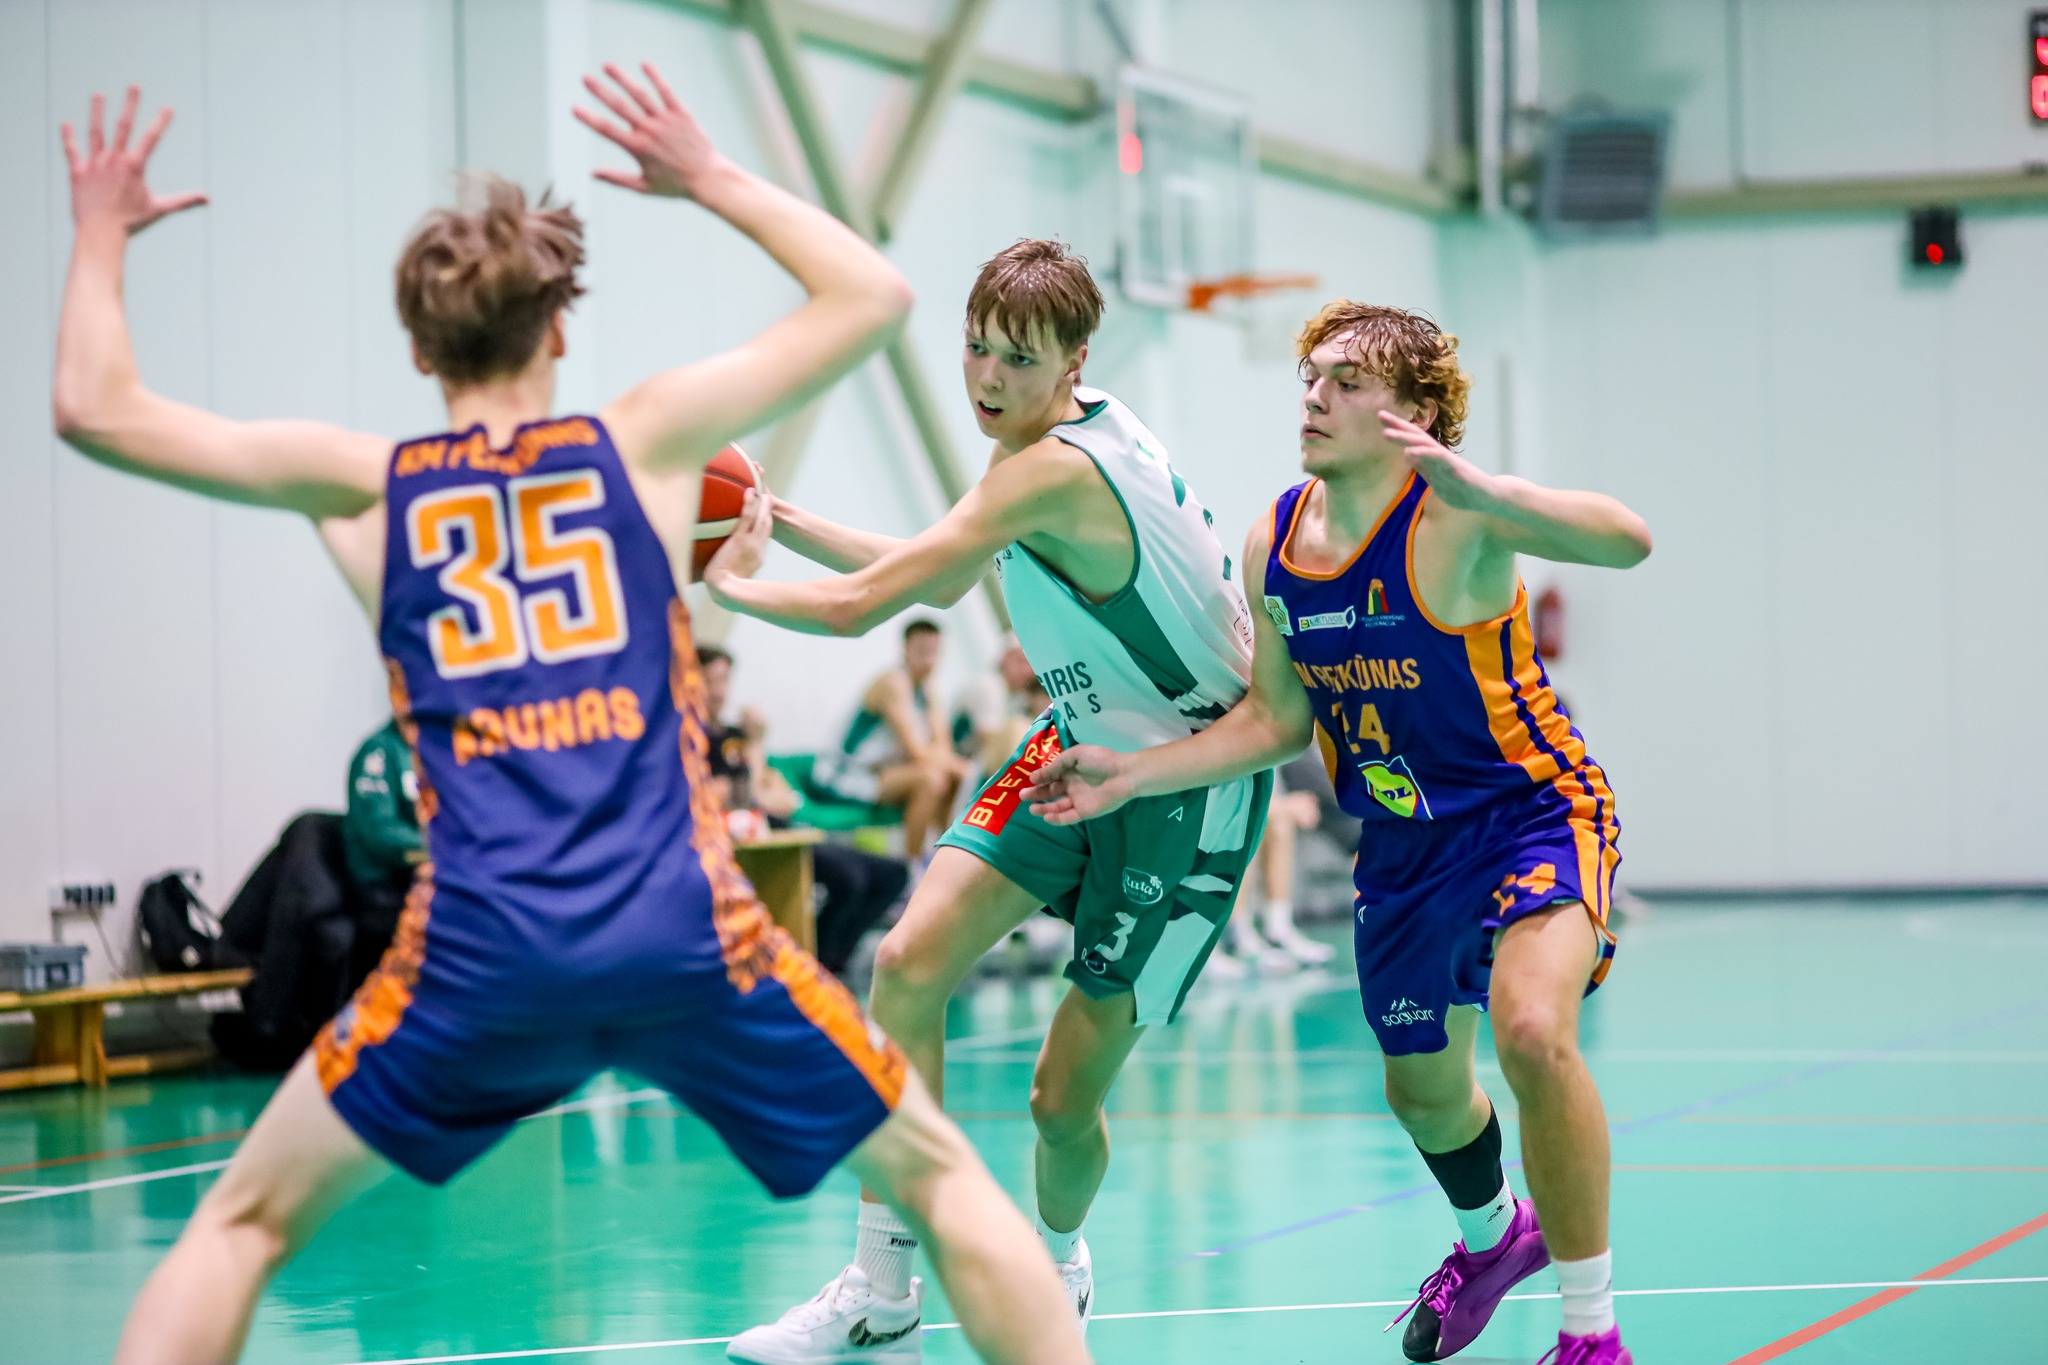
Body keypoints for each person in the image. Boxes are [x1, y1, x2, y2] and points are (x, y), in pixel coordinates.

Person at [52, 76, 1086, 1365]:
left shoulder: (366, 489)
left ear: (419, 351)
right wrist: (706, 174)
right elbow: (871, 295)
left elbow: (94, 409)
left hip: (478, 955)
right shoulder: (639, 445)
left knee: (239, 1229)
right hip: (682, 937)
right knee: (947, 1195)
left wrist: (100, 232)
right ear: (556, 331)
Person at [1024, 302, 1651, 1365]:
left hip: (1529, 812)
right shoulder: (1276, 538)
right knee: (1422, 1093)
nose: (1314, 397)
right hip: (1403, 849)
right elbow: (1276, 721)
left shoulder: (1454, 515)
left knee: (1530, 1030)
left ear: (1414, 414)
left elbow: (1626, 540)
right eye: (1310, 377)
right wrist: (1132, 772)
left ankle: (1591, 1334)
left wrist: (1491, 492)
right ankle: (1493, 1239)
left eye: (1347, 382)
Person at [703, 239, 1269, 1360]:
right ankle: (881, 1284)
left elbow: (867, 606)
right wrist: (786, 516)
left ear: (1074, 361)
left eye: (1017, 356)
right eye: (974, 347)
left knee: (1060, 1101)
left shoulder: (1049, 470)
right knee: (906, 964)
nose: (987, 376)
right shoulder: (1050, 443)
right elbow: (944, 561)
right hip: (1073, 747)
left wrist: (724, 581)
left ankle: (1059, 1264)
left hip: (1181, 783)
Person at [699, 644, 910, 977]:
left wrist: (754, 755)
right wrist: (752, 779)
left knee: (893, 874)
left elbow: (780, 799)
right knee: (849, 880)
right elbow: (728, 796)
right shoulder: (688, 739)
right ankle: (815, 966)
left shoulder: (736, 736)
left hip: (782, 833)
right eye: (710, 681)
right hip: (746, 846)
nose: (719, 691)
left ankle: (832, 963)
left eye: (724, 680)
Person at [812, 618, 972, 861]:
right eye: (922, 651)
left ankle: (945, 858)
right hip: (840, 775)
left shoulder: (928, 688)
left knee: (950, 777)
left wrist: (960, 769)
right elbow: (917, 752)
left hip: (876, 773)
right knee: (930, 780)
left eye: (935, 652)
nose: (929, 660)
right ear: (905, 649)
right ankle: (910, 869)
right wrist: (966, 770)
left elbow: (943, 748)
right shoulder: (893, 683)